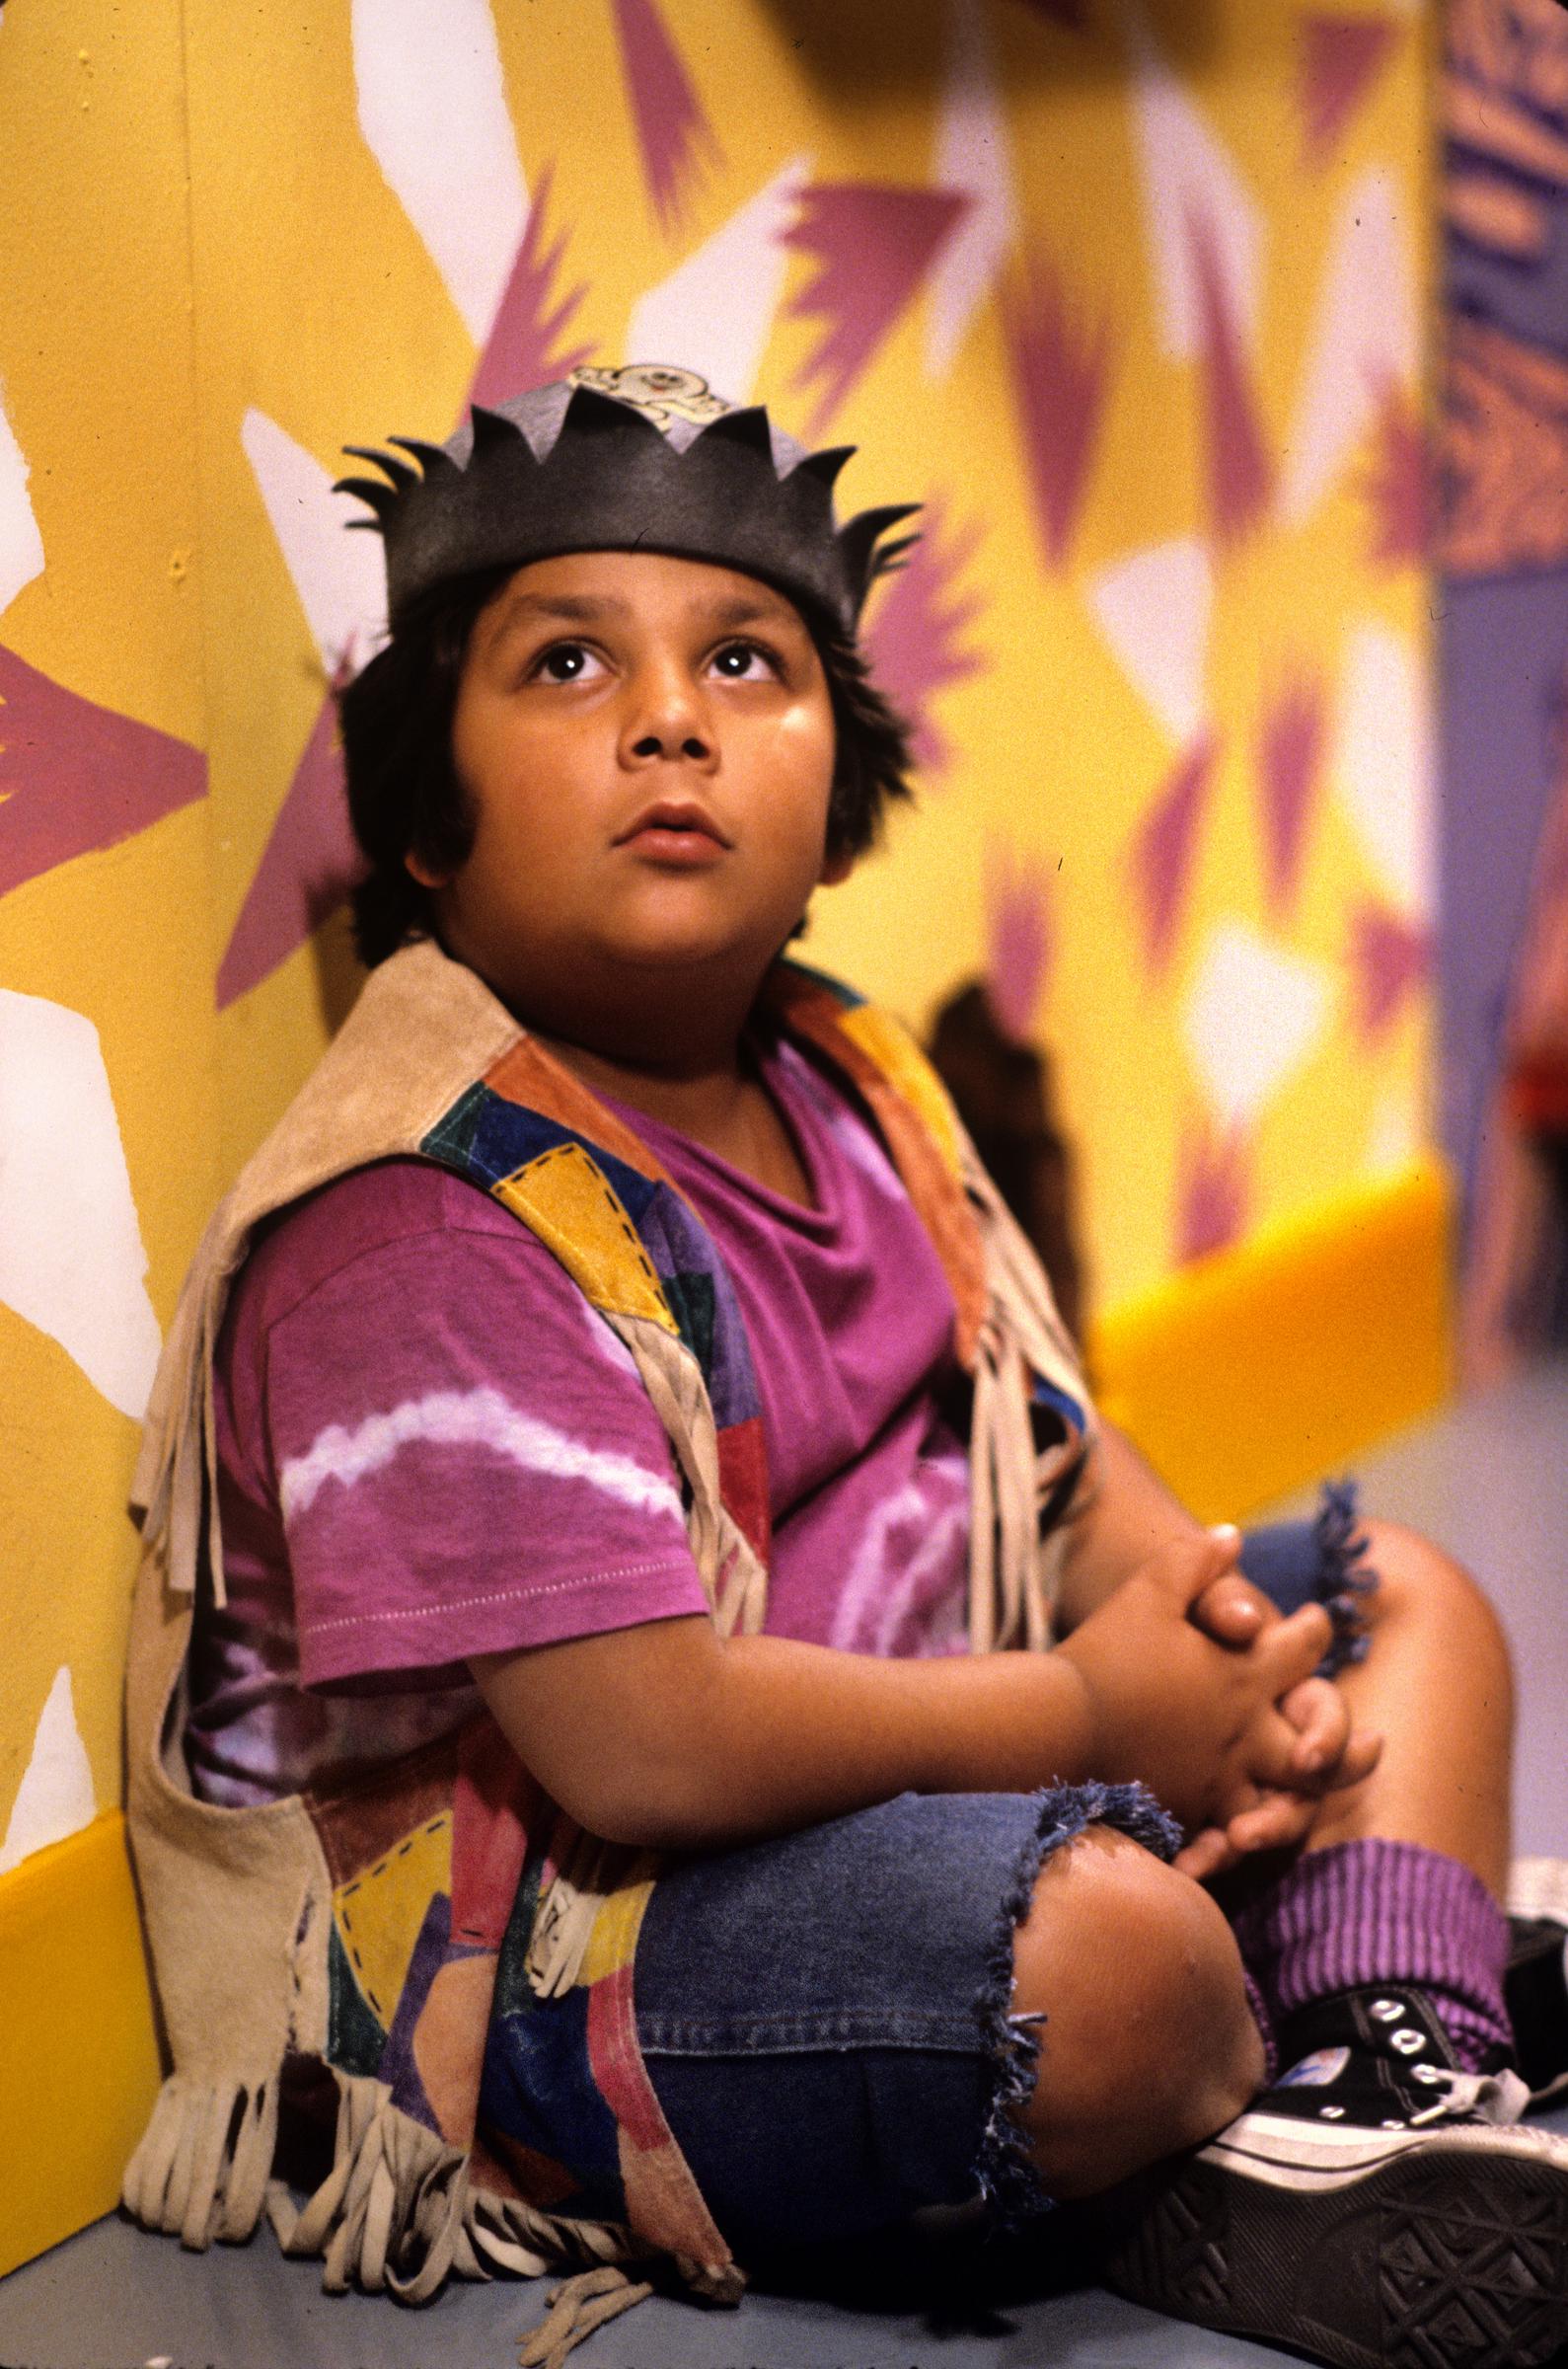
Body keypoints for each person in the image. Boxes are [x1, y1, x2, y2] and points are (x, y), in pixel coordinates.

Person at [122, 361, 1568, 2369]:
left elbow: (1037, 1459)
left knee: (1418, 1605)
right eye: (563, 665)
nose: (669, 718)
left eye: (745, 660)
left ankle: (1374, 2078)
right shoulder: (424, 1219)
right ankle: (1288, 2043)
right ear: (424, 831)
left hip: (943, 1781)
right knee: (1114, 1950)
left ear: (836, 798)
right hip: (593, 1948)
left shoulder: (852, 1076)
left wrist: (1204, 1631)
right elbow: (640, 1748)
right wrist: (1091, 1707)